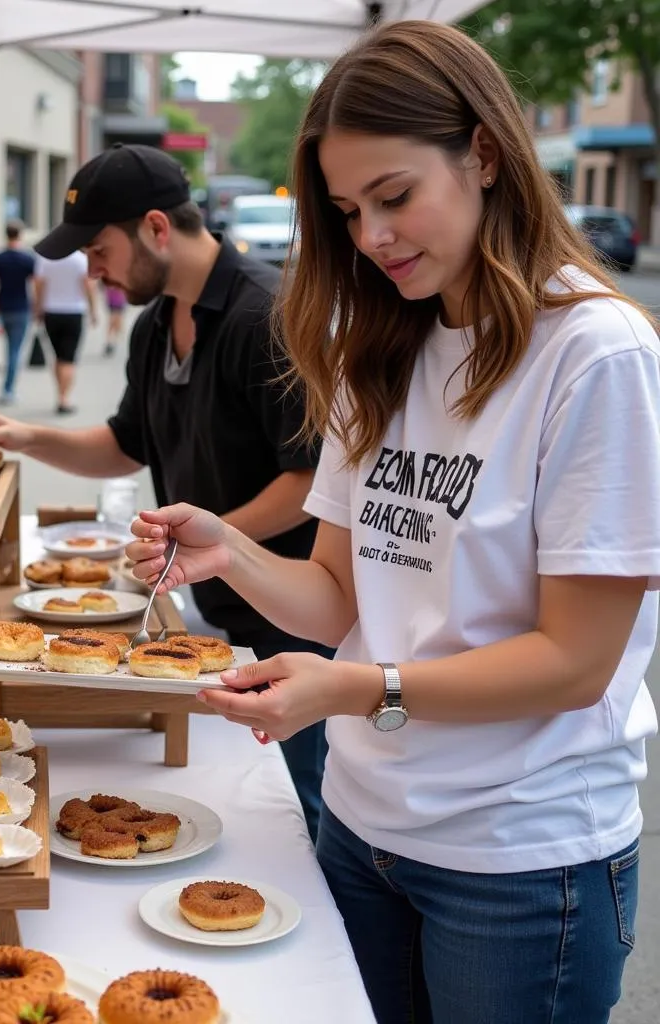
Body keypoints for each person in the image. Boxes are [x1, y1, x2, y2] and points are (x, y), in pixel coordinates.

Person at [124, 21, 660, 1024]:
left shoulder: (595, 354)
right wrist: (228, 548)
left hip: (516, 865)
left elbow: (576, 660)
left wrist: (356, 690)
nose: (371, 236)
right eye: (345, 210)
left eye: (395, 196)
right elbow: (335, 596)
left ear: (484, 154)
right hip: (360, 830)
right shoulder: (386, 348)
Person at [0, 142, 332, 844]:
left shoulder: (266, 316)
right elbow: (128, 442)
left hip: (289, 622)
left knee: (301, 813)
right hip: (208, 613)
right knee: (234, 806)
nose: (91, 271)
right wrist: (24, 436)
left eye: (98, 250)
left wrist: (212, 543)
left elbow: (311, 478)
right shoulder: (154, 326)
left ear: (157, 228)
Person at [32, 249, 98, 414]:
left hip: (51, 311)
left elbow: (39, 284)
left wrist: (38, 308)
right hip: (74, 311)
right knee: (68, 358)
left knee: (58, 356)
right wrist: (93, 310)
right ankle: (64, 398)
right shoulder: (81, 260)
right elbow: (88, 285)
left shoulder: (46, 258)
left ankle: (59, 393)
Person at [0, 221, 36, 405]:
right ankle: (8, 389)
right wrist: (38, 309)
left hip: (3, 306)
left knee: (9, 347)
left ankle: (7, 387)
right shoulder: (27, 259)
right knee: (15, 349)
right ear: (20, 234)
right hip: (21, 307)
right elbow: (35, 285)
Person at [104, 284, 127, 356]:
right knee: (113, 320)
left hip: (119, 299)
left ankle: (113, 341)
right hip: (114, 299)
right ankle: (110, 341)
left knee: (117, 320)